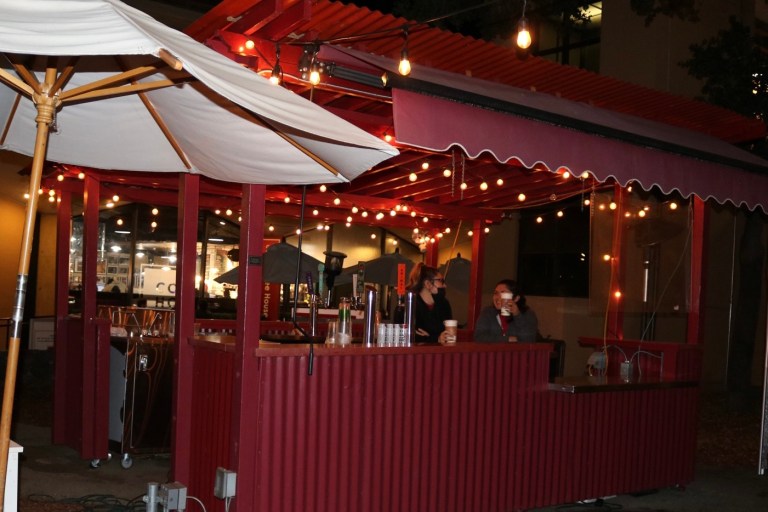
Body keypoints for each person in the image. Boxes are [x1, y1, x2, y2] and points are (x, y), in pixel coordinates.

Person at [407, 263, 453, 344]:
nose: (445, 285)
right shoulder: (412, 305)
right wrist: (436, 338)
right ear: (428, 284)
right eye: (440, 281)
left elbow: (447, 335)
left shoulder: (444, 304)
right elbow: (412, 337)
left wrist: (428, 337)